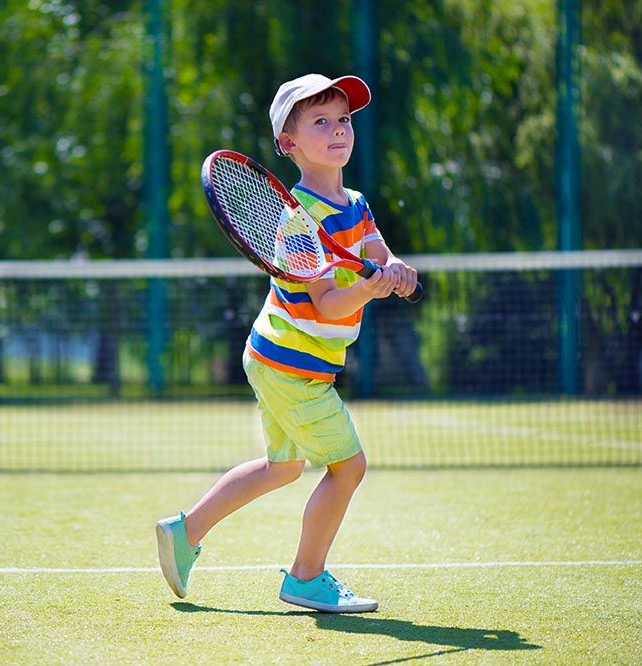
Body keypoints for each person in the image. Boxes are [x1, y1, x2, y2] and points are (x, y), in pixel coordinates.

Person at [156, 74, 418, 612]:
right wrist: (367, 290)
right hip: (288, 363)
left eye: (343, 118)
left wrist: (395, 271)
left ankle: (185, 533)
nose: (337, 129)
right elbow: (326, 303)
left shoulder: (358, 203)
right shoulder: (295, 223)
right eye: (319, 121)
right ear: (288, 144)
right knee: (348, 466)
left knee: (283, 467)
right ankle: (305, 576)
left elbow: (379, 252)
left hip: (290, 359)